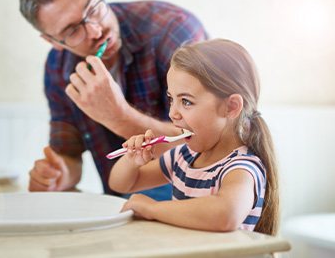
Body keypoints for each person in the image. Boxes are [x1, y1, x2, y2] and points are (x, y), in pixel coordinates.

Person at [19, 0, 208, 199]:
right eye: (71, 31)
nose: (96, 31)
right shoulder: (58, 68)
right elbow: (69, 155)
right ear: (53, 41)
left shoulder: (172, 30)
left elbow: (205, 140)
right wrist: (58, 175)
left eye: (93, 9)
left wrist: (118, 116)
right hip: (123, 208)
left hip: (199, 203)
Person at [109, 39, 279, 235]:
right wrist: (132, 161)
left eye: (186, 102)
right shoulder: (183, 157)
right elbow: (122, 184)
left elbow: (226, 214)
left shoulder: (241, 167)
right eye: (172, 99)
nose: (173, 113)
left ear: (231, 107)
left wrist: (153, 208)